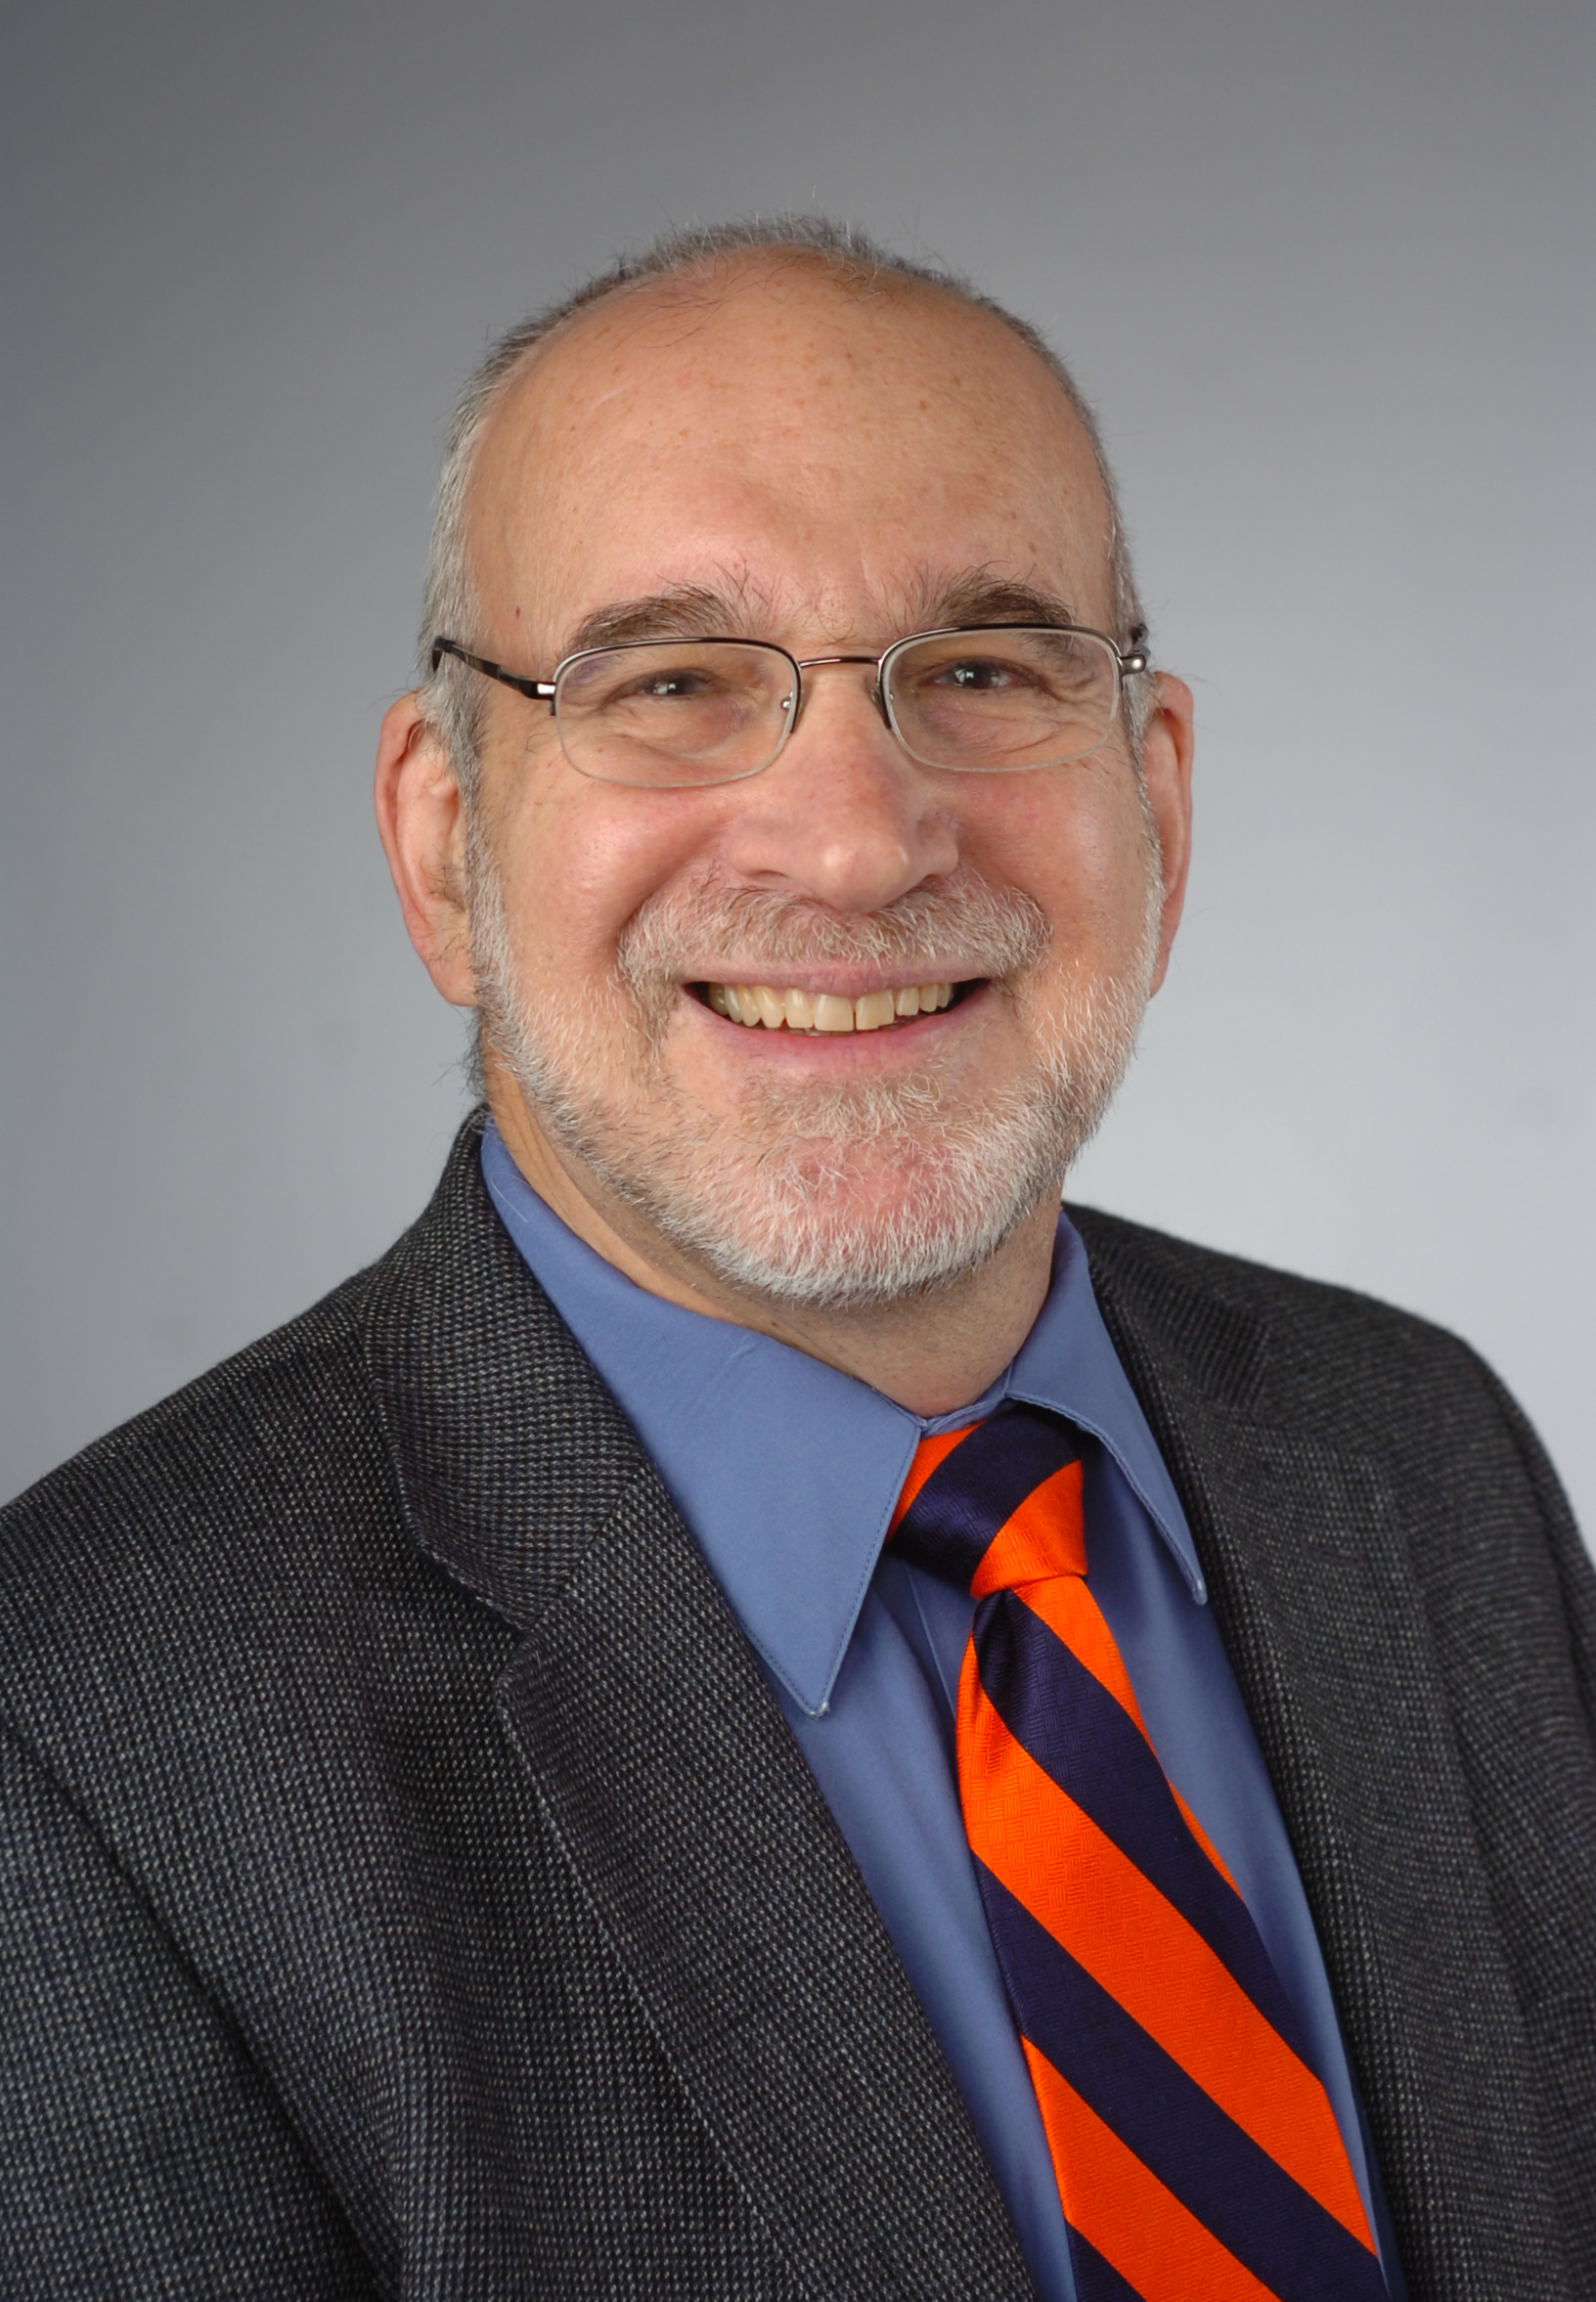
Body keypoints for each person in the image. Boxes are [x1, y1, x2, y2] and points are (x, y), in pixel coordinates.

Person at [2, 220, 1591, 2302]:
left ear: (1159, 805)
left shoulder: (1418, 1449)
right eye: (670, 683)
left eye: (987, 670)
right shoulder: (85, 1739)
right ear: (445, 846)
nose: (853, 841)